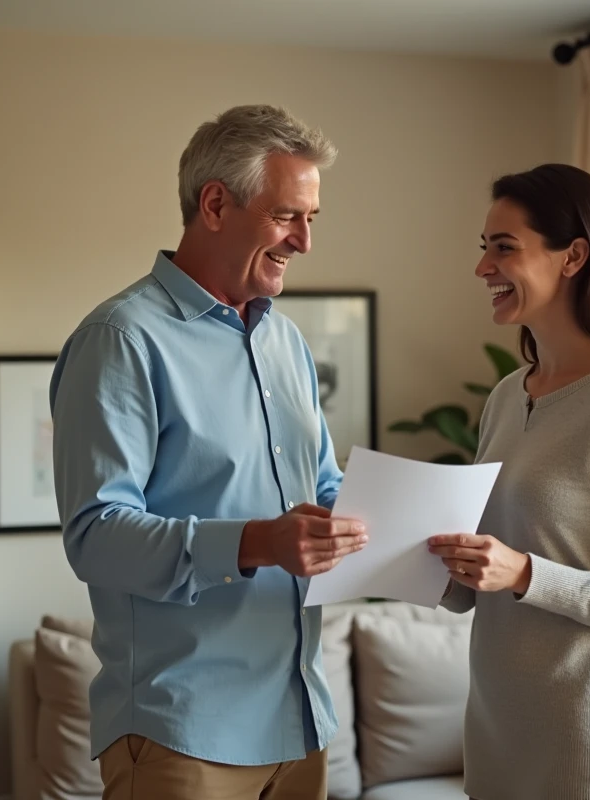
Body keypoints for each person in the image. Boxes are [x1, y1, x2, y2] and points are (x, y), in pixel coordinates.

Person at [49, 104, 368, 800]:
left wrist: (393, 527)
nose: (305, 242)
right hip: (182, 736)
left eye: (313, 219)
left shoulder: (286, 342)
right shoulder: (120, 339)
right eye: (289, 216)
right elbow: (95, 537)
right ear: (216, 204)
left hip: (300, 725)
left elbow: (319, 486)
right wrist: (259, 542)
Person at [427, 163, 590, 800]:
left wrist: (524, 573)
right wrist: (392, 551)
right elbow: (472, 592)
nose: (482, 268)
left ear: (572, 256)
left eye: (503, 248)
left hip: (587, 750)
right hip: (494, 744)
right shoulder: (503, 397)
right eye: (483, 248)